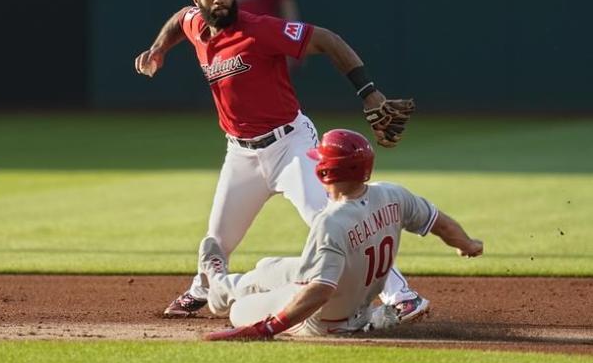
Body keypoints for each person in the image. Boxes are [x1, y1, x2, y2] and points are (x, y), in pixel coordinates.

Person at [134, 0, 421, 320]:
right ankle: (203, 289)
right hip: (241, 153)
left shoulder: (258, 29)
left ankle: (401, 294)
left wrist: (368, 92)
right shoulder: (195, 24)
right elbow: (180, 19)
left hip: (290, 147)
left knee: (330, 219)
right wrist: (158, 49)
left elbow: (328, 40)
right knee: (218, 239)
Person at [201, 129, 484, 340]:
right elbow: (441, 223)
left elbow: (320, 291)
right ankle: (219, 286)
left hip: (325, 320)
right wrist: (467, 244)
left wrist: (268, 328)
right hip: (354, 302)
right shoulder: (393, 195)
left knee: (239, 311)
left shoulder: (330, 222)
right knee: (268, 267)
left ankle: (225, 294)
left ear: (325, 171)